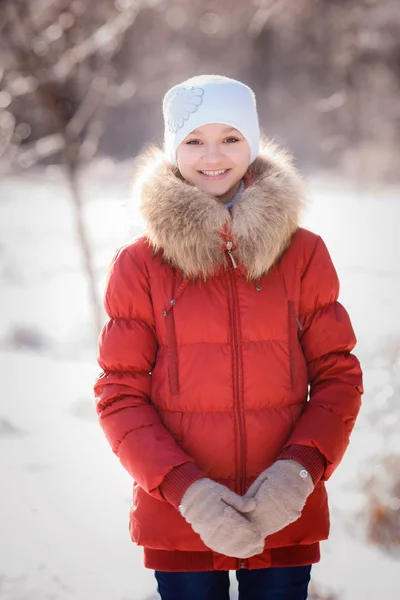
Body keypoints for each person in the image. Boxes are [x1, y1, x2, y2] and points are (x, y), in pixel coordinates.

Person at [94, 75, 363, 600]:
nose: (212, 156)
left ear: (253, 143)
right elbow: (119, 394)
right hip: (181, 521)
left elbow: (338, 375)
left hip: (283, 515)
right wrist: (184, 490)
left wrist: (298, 473)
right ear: (174, 149)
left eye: (230, 138)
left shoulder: (302, 253)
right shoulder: (140, 264)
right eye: (194, 140)